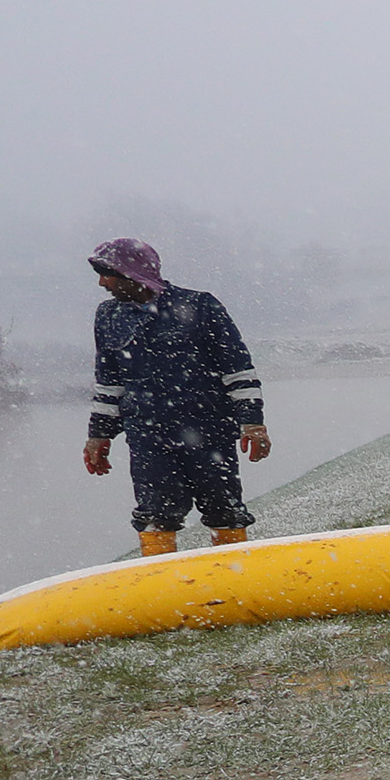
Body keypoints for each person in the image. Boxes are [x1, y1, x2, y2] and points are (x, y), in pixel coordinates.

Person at [82, 237, 269, 553]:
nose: (102, 282)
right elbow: (108, 383)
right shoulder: (108, 316)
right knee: (154, 515)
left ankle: (234, 579)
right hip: (147, 435)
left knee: (224, 509)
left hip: (210, 430)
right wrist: (98, 436)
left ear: (132, 273)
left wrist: (253, 423)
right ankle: (162, 586)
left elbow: (238, 370)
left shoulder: (201, 306)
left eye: (107, 273)